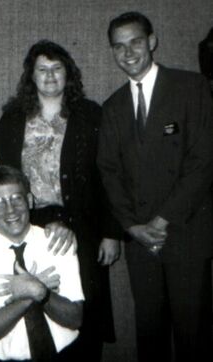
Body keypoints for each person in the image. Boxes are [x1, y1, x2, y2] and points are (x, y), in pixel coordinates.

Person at [0, 39, 122, 361]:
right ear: (31, 76)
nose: (50, 76)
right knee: (40, 308)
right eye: (42, 69)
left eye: (57, 68)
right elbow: (1, 176)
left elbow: (110, 174)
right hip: (31, 227)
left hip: (85, 228)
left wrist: (111, 232)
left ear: (69, 74)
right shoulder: (13, 118)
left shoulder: (91, 114)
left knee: (85, 310)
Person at [97, 11, 213, 362]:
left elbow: (203, 162)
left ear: (152, 41)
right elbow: (109, 172)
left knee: (195, 335)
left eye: (135, 42)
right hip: (140, 243)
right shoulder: (113, 107)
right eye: (119, 47)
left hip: (186, 233)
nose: (128, 53)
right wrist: (133, 227)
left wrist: (161, 221)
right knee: (149, 335)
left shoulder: (191, 87)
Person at [0, 166, 84, 361]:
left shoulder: (58, 242)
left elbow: (75, 319)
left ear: (29, 200)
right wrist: (30, 295)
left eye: (16, 198)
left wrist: (42, 293)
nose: (10, 209)